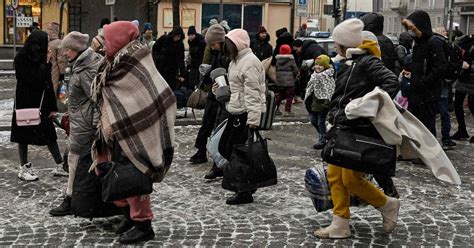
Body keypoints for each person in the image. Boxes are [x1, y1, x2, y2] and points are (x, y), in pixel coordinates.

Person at [314, 19, 400, 239]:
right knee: (334, 176)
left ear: (344, 43)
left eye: (336, 42)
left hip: (358, 131)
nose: (334, 47)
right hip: (343, 127)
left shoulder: (367, 62)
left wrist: (361, 107)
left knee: (351, 179)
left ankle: (387, 204)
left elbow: (390, 83)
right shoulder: (348, 62)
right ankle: (340, 223)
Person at [91, 21, 176, 244]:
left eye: (107, 39)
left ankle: (143, 224)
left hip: (135, 130)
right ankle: (130, 216)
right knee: (120, 175)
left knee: (136, 176)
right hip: (118, 131)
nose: (104, 43)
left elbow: (143, 96)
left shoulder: (133, 61)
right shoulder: (116, 61)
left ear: (119, 40)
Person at [49, 31, 102, 216]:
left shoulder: (87, 69)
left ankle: (70, 199)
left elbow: (97, 99)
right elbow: (72, 97)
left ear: (77, 50)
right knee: (75, 161)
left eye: (68, 50)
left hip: (85, 125)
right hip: (79, 121)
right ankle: (75, 198)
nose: (64, 53)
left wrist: (95, 126)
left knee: (75, 161)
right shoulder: (78, 65)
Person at [218, 29, 266, 205]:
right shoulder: (235, 61)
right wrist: (223, 91)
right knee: (225, 147)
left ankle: (244, 190)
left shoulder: (250, 62)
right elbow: (237, 87)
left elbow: (254, 92)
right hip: (236, 110)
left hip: (245, 113)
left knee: (238, 152)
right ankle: (247, 184)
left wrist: (253, 120)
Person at [11, 31, 63, 181]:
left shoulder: (42, 58)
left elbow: (47, 84)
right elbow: (34, 80)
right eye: (46, 42)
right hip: (25, 104)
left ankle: (59, 164)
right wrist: (46, 64)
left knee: (49, 133)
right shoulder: (21, 58)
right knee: (23, 136)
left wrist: (53, 106)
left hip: (41, 104)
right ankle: (24, 167)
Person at [189, 24, 230, 181]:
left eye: (213, 43)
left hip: (224, 96)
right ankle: (204, 154)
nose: (212, 46)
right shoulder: (216, 52)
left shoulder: (226, 54)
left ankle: (218, 164)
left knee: (218, 130)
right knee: (208, 124)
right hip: (215, 94)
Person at [402, 10, 448, 138]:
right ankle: (417, 153)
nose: (410, 30)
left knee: (427, 128)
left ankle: (430, 155)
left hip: (427, 94)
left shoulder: (433, 42)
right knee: (415, 125)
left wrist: (424, 82)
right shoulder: (418, 42)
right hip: (416, 93)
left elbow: (440, 67)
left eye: (412, 27)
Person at [432, 27, 457, 150]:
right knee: (444, 112)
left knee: (431, 113)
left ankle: (431, 140)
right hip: (443, 83)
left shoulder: (431, 42)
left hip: (433, 83)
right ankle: (446, 139)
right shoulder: (445, 43)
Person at [304, 54, 335, 149]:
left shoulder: (327, 76)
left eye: (320, 65)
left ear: (325, 66)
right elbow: (309, 88)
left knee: (320, 122)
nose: (318, 67)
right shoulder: (314, 75)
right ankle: (325, 134)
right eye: (316, 64)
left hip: (323, 104)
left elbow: (330, 90)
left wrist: (326, 104)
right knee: (314, 121)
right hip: (313, 104)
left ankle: (322, 140)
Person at [451, 35, 474, 141]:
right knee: (457, 105)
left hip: (471, 81)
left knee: (472, 107)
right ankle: (462, 130)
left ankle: (462, 131)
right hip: (463, 80)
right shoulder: (468, 44)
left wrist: (469, 67)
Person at [152, 25, 186, 90]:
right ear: (173, 34)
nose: (177, 38)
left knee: (170, 88)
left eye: (179, 37)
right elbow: (155, 49)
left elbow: (181, 60)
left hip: (172, 71)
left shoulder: (180, 45)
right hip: (161, 68)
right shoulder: (164, 39)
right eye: (176, 36)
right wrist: (157, 59)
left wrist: (182, 74)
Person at [292, 39, 326, 103]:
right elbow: (300, 62)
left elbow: (319, 59)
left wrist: (314, 67)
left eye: (296, 50)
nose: (296, 52)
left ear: (300, 46)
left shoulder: (313, 48)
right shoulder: (303, 51)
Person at [274, 44, 298, 117]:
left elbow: (276, 68)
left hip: (280, 81)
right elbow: (295, 70)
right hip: (289, 81)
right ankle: (287, 111)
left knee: (280, 95)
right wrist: (294, 76)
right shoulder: (291, 59)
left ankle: (274, 109)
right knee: (289, 96)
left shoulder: (277, 60)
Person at [45, 22, 68, 96]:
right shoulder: (59, 43)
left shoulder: (44, 42)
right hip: (55, 69)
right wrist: (62, 73)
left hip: (45, 68)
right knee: (55, 90)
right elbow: (61, 60)